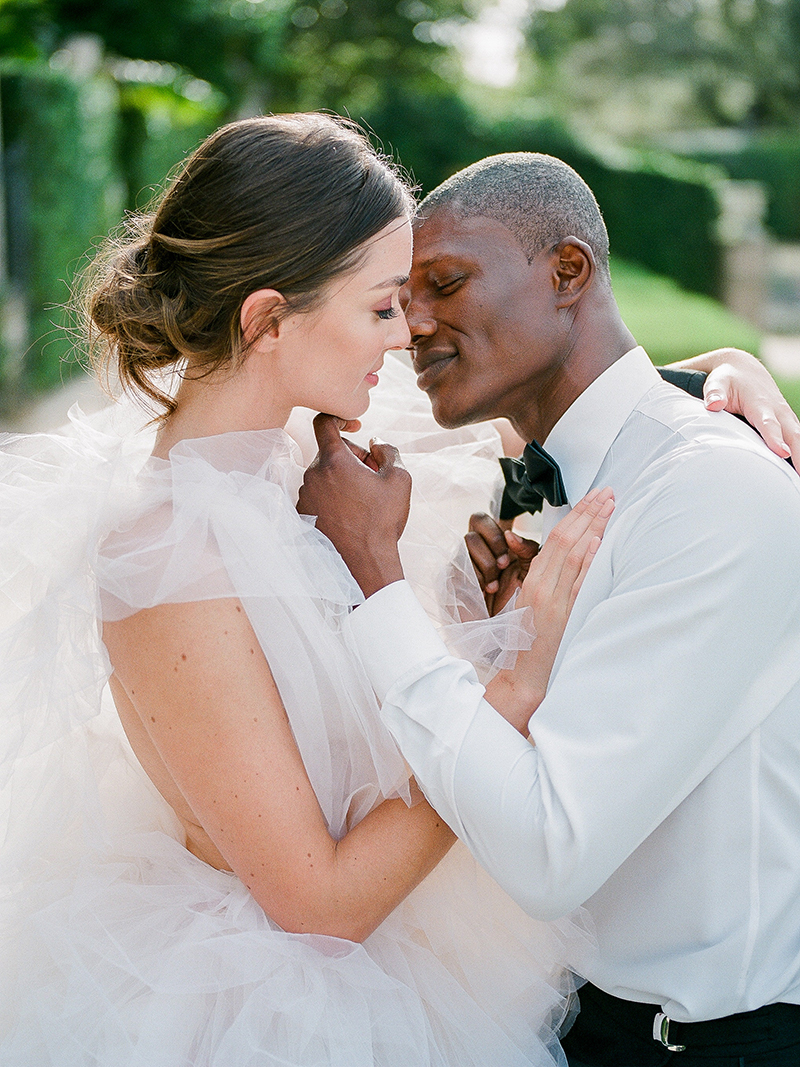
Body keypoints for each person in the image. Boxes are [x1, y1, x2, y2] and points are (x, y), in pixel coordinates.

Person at [0, 113, 638, 1067]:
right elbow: (321, 904)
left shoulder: (309, 449)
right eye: (382, 306)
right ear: (267, 320)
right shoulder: (173, 558)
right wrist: (505, 691)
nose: (410, 330)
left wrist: (731, 372)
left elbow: (572, 383)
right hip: (281, 1013)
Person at [299, 152, 800, 1067]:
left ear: (568, 272)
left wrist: (378, 582)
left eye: (445, 283)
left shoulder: (714, 492)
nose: (412, 325)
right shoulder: (551, 483)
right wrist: (520, 643)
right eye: (401, 299)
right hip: (573, 1020)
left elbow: (548, 851)